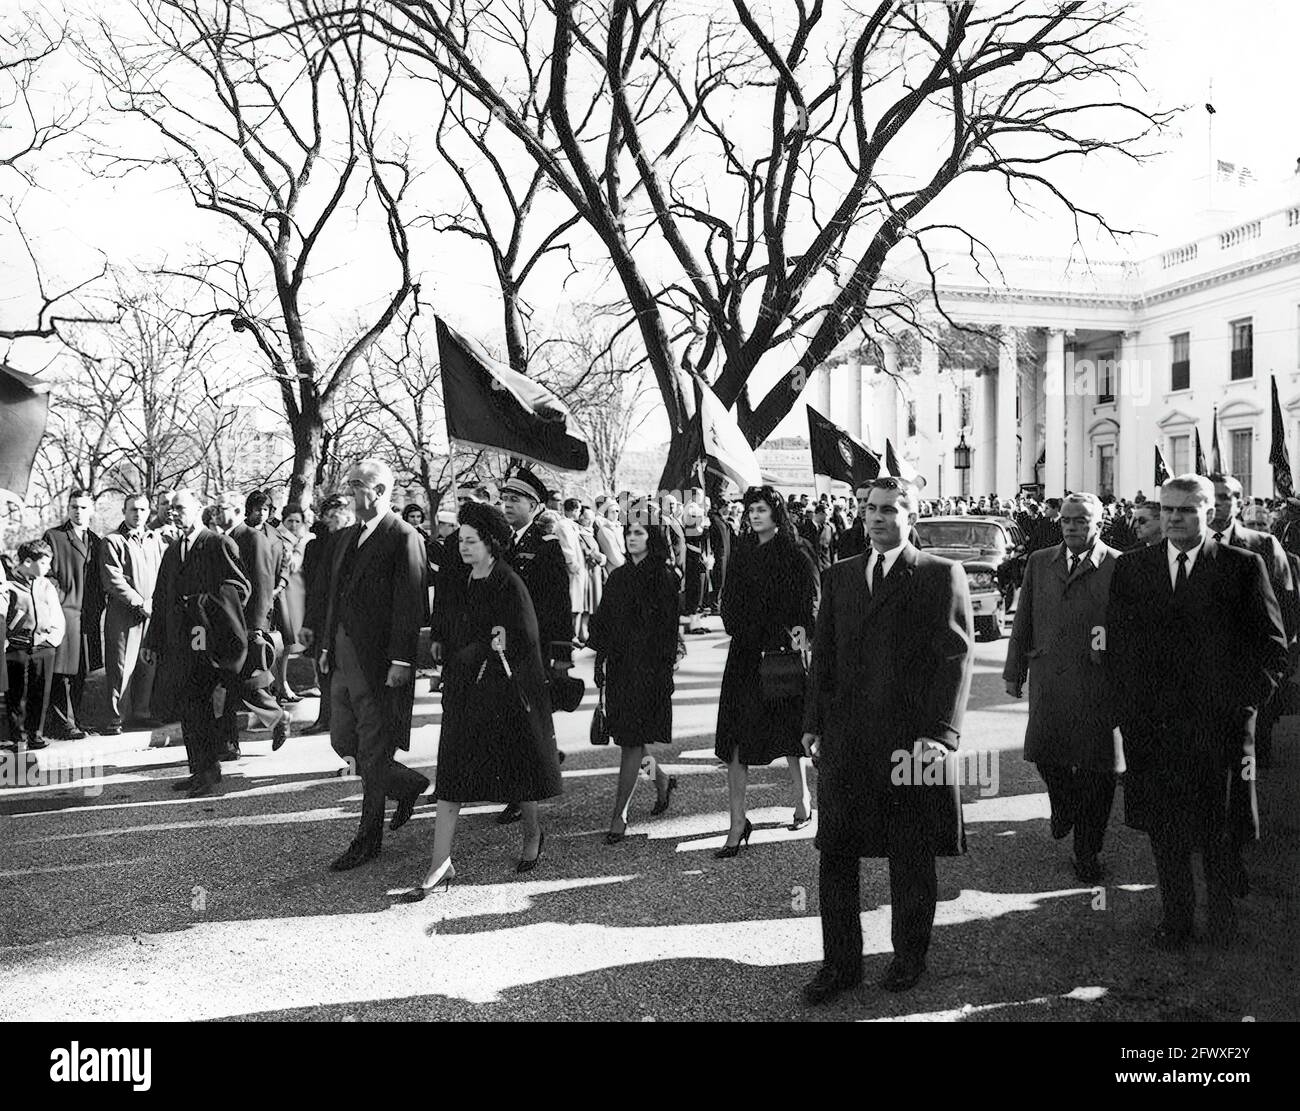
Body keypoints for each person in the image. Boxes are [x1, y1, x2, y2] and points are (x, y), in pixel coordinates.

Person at [801, 477, 974, 1003]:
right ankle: (840, 964)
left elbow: (955, 657)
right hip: (847, 739)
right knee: (836, 854)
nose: (876, 518)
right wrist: (812, 724)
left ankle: (908, 956)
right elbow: (823, 657)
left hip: (909, 742)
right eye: (868, 509)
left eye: (888, 510)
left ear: (910, 516)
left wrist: (941, 735)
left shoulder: (939, 575)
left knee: (910, 853)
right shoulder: (840, 577)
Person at [1107, 474, 1287, 950]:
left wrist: (1242, 708)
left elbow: (1272, 649)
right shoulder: (1133, 569)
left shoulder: (1242, 566)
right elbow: (1119, 650)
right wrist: (1129, 714)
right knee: (1165, 832)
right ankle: (1176, 918)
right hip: (1155, 732)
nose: (1173, 518)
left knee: (1219, 834)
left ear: (1210, 513)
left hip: (1219, 731)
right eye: (1166, 509)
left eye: (1185, 510)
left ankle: (1223, 919)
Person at [414, 501, 562, 895]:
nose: (462, 547)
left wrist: (495, 645)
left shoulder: (508, 582)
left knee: (519, 772)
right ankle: (439, 862)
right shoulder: (462, 580)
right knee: (452, 773)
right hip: (464, 691)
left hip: (502, 694)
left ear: (491, 543)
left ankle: (533, 836)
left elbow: (525, 640)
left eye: (471, 541)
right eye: (460, 540)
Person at [301, 459, 430, 872]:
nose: (351, 492)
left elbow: (410, 604)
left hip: (378, 666)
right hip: (340, 660)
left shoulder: (403, 536)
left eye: (357, 485)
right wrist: (323, 644)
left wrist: (402, 661)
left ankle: (367, 839)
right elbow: (332, 597)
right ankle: (408, 783)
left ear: (379, 491)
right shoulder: (345, 537)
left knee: (373, 753)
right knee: (345, 743)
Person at [1003, 493, 1120, 883]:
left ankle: (1087, 853)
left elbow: (1129, 627)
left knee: (1097, 774)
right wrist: (1014, 671)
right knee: (1045, 755)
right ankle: (1063, 803)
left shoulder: (1119, 565)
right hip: (1050, 678)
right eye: (1067, 520)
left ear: (1098, 525)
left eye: (1081, 521)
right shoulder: (1039, 562)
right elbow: (1024, 620)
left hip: (1098, 685)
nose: (1071, 526)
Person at [714, 485, 820, 854]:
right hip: (744, 654)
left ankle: (803, 797)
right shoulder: (742, 550)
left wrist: (796, 641)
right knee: (736, 739)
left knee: (790, 731)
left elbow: (808, 604)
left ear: (776, 513)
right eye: (751, 510)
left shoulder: (795, 551)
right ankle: (737, 821)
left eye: (760, 509)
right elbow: (728, 598)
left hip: (779, 655)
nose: (754, 515)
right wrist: (737, 625)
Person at [141, 491, 250, 798]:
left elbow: (239, 588)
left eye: (180, 508)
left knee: (202, 705)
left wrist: (201, 604)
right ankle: (197, 769)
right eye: (171, 508)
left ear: (198, 509)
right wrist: (153, 640)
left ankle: (210, 772)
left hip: (207, 640)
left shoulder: (218, 543)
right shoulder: (173, 550)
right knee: (188, 707)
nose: (174, 513)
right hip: (179, 643)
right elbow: (160, 599)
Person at [589, 509, 680, 843]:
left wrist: (666, 670)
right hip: (621, 667)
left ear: (652, 537)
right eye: (629, 532)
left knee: (630, 741)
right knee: (633, 739)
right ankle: (661, 781)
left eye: (640, 532)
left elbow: (669, 631)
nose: (631, 537)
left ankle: (619, 815)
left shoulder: (666, 576)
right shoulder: (619, 576)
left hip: (650, 670)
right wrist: (600, 660)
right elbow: (604, 621)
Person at [490, 466, 574, 825]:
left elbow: (559, 605)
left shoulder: (546, 547)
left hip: (533, 650)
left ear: (535, 505)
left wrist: (561, 655)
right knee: (511, 720)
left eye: (515, 499)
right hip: (504, 648)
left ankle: (521, 794)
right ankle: (539, 764)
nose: (507, 505)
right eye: (505, 498)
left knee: (522, 722)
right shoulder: (503, 543)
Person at [1210, 473, 1299, 771]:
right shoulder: (1184, 545)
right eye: (1210, 496)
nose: (1216, 504)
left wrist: (1270, 674)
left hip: (1248, 673)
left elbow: (1286, 610)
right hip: (1200, 677)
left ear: (1240, 503)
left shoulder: (1263, 545)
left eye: (1224, 497)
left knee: (1246, 772)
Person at [221, 491, 289, 754]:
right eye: (216, 507)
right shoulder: (224, 536)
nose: (219, 512)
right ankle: (228, 745)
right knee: (224, 684)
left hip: (247, 624)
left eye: (225, 507)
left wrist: (257, 625)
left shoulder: (251, 537)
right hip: (225, 621)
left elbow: (262, 583)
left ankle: (276, 717)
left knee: (249, 679)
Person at [98, 493, 164, 734]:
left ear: (149, 513)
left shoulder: (154, 539)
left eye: (143, 510)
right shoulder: (112, 541)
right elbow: (113, 580)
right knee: (121, 667)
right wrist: (139, 602)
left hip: (151, 612)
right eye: (133, 509)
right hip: (124, 614)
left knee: (148, 663)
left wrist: (156, 602)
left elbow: (163, 573)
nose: (138, 514)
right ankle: (116, 718)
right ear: (124, 512)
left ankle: (141, 713)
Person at [41, 489, 104, 740]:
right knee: (62, 671)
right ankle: (62, 723)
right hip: (64, 612)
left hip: (88, 615)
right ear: (68, 509)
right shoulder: (54, 537)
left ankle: (75, 719)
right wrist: (59, 601)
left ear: (92, 510)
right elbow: (46, 575)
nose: (79, 512)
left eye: (84, 507)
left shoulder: (97, 541)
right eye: (74, 507)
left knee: (81, 670)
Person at [3, 540, 66, 751]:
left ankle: (35, 734)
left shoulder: (45, 584)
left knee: (40, 692)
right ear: (28, 561)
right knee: (17, 693)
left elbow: (56, 613)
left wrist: (53, 640)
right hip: (16, 648)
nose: (49, 567)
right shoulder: (8, 585)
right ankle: (18, 737)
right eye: (45, 563)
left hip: (43, 646)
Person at [299, 494, 354, 736]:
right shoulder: (317, 545)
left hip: (347, 618)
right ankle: (326, 716)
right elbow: (315, 586)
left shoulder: (354, 539)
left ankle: (342, 719)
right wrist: (308, 622)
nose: (331, 520)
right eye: (327, 516)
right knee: (324, 670)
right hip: (323, 615)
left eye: (336, 515)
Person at [272, 503, 313, 703]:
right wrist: (302, 545)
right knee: (285, 641)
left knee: (296, 639)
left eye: (298, 521)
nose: (294, 524)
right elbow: (292, 564)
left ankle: (284, 683)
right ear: (284, 520)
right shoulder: (280, 538)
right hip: (287, 594)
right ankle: (281, 683)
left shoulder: (302, 537)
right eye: (290, 521)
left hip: (301, 592)